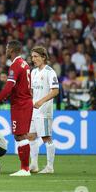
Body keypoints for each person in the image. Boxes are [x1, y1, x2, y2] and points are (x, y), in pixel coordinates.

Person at [0, 40, 33, 177]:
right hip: (24, 102)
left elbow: (8, 87)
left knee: (20, 135)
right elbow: (17, 87)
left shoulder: (15, 65)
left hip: (21, 104)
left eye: (6, 48)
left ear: (11, 50)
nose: (5, 50)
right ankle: (25, 168)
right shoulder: (24, 64)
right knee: (20, 135)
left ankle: (25, 169)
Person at [28, 46, 59, 174]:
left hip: (44, 110)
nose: (33, 59)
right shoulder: (33, 72)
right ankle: (34, 165)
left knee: (46, 137)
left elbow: (56, 91)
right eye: (32, 56)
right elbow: (31, 90)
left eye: (36, 56)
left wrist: (41, 101)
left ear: (43, 57)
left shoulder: (49, 72)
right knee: (31, 136)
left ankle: (50, 167)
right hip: (33, 110)